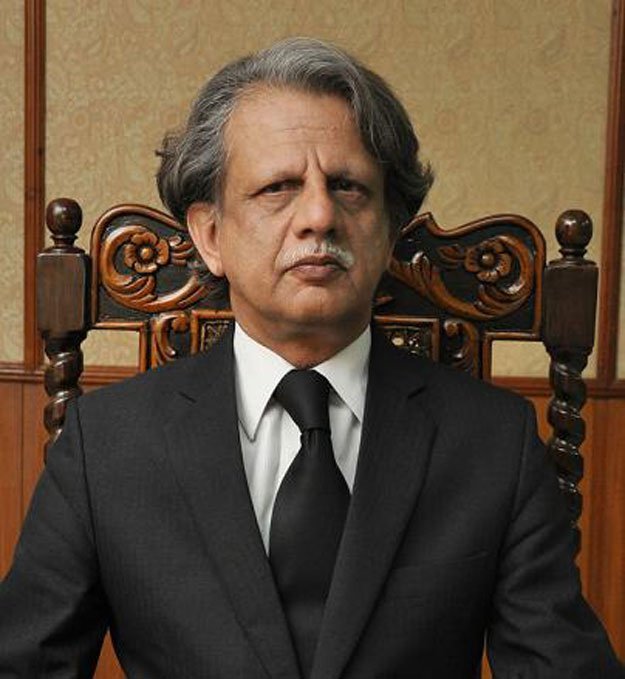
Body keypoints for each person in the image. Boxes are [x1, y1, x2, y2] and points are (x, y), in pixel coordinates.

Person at [0, 37, 622, 679]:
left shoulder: (494, 442)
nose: (320, 215)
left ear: (390, 230)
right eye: (279, 187)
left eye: (349, 187)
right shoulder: (105, 447)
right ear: (210, 235)